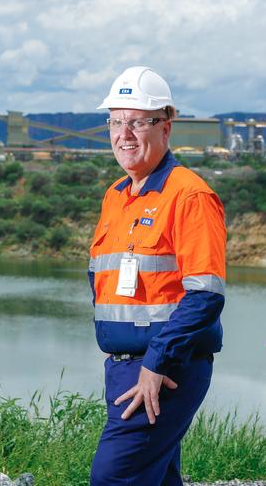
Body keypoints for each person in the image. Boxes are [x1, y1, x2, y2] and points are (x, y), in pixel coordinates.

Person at [88, 66, 226, 486]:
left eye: (137, 122)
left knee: (113, 478)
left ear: (166, 126)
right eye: (115, 121)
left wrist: (156, 362)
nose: (123, 134)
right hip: (124, 367)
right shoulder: (117, 196)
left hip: (163, 370)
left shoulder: (189, 196)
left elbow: (205, 295)